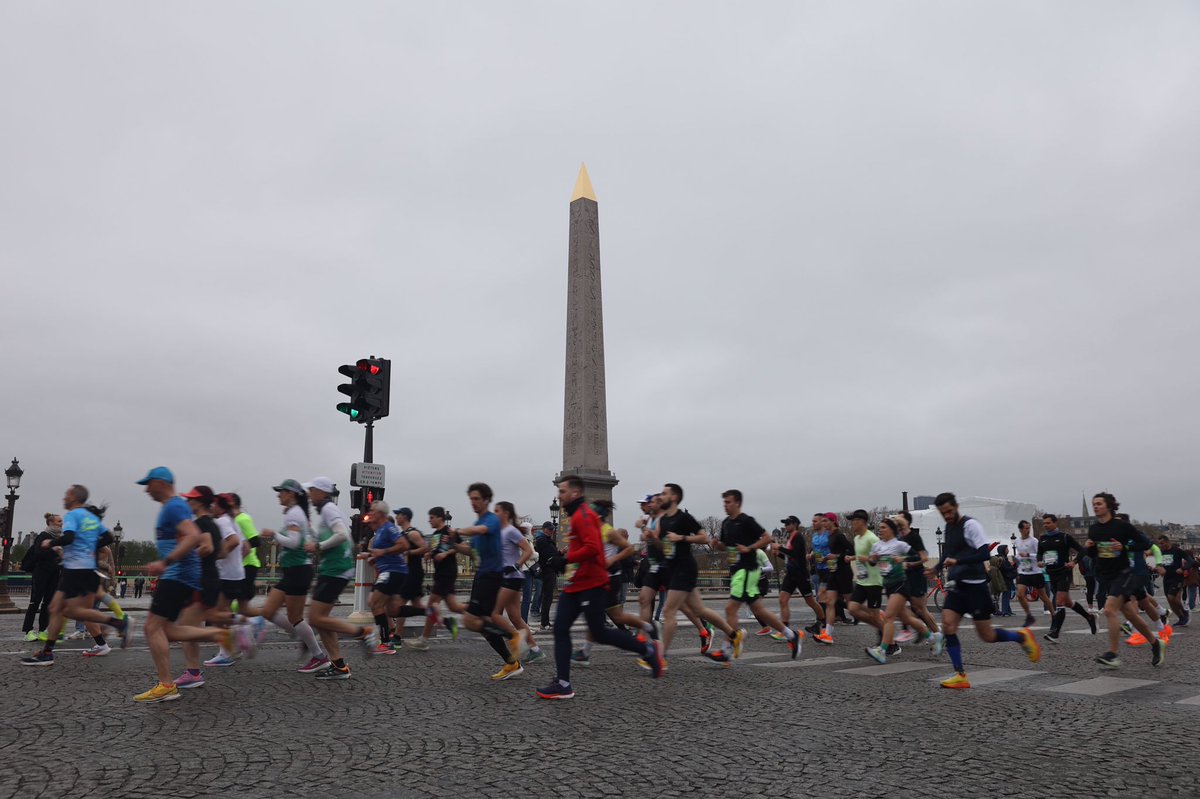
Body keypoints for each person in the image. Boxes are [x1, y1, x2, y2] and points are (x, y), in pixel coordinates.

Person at [536, 478, 663, 699]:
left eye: (563, 491)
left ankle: (647, 650)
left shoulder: (583, 516)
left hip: (592, 583)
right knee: (561, 629)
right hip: (577, 582)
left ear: (575, 493)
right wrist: (566, 557)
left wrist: (563, 560)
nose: (559, 495)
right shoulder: (579, 515)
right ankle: (563, 683)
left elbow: (593, 549)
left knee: (600, 633)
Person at [130, 468, 243, 702]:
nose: (146, 490)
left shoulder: (174, 506)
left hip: (177, 574)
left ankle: (166, 685)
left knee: (152, 628)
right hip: (181, 574)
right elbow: (201, 541)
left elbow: (193, 536)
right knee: (167, 630)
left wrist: (166, 561)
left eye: (149, 484)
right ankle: (221, 634)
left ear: (161, 483)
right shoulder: (174, 507)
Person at [929, 492, 1040, 690]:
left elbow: (983, 553)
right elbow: (947, 553)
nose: (946, 516)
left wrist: (958, 561)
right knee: (947, 625)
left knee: (986, 636)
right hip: (957, 585)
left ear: (955, 507)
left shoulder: (971, 525)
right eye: (942, 513)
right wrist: (935, 569)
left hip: (975, 585)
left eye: (948, 511)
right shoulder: (949, 527)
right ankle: (960, 675)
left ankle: (1022, 637)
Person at [20, 487, 132, 667]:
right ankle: (50, 652)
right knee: (62, 609)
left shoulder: (73, 515)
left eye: (67, 494)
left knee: (64, 609)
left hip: (75, 570)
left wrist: (51, 543)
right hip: (87, 569)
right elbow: (109, 537)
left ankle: (119, 623)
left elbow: (69, 537)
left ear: (74, 498)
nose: (64, 497)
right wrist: (89, 547)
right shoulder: (91, 518)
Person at [707, 490, 800, 665]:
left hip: (747, 570)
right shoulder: (726, 523)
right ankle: (791, 635)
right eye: (724, 502)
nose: (725, 505)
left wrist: (750, 548)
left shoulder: (746, 521)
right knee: (758, 610)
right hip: (736, 570)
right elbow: (725, 547)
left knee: (730, 609)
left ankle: (728, 648)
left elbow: (767, 538)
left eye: (728, 502)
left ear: (737, 503)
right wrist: (716, 544)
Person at [303, 477, 378, 679]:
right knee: (321, 620)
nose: (309, 495)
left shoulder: (329, 509)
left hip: (336, 569)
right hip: (333, 568)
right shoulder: (327, 511)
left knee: (316, 618)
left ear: (321, 492)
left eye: (311, 490)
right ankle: (339, 666)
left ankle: (363, 633)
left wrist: (318, 546)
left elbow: (342, 535)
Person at [657, 483, 740, 663]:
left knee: (669, 610)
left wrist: (682, 537)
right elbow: (664, 546)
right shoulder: (663, 520)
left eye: (664, 493)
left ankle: (660, 658)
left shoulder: (684, 518)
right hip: (674, 568)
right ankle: (733, 634)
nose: (660, 496)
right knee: (699, 609)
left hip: (685, 567)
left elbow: (704, 538)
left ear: (673, 498)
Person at [252, 479, 327, 673]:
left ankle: (319, 656)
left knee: (295, 618)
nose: (279, 495)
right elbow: (308, 537)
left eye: (281, 492)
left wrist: (274, 534)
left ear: (291, 494)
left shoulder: (294, 513)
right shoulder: (296, 513)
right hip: (294, 570)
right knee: (268, 611)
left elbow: (294, 543)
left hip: (298, 571)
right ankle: (307, 637)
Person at [571, 501, 658, 667]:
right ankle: (648, 627)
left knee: (594, 614)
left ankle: (585, 652)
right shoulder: (592, 530)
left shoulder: (608, 531)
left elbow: (629, 549)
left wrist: (612, 559)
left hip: (609, 578)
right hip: (598, 578)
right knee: (616, 616)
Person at [455, 482, 525, 680]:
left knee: (470, 620)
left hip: (491, 576)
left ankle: (514, 637)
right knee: (484, 624)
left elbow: (480, 531)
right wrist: (453, 545)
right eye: (471, 499)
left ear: (486, 500)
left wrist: (459, 531)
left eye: (476, 498)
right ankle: (512, 662)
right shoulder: (478, 524)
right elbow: (472, 551)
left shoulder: (491, 520)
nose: (473, 502)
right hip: (482, 575)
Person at [1088, 492, 1164, 669]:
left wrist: (1125, 546)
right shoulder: (1093, 529)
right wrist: (1090, 548)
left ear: (1108, 506)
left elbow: (1145, 544)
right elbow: (1094, 554)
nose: (1096, 506)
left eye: (1099, 503)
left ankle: (1112, 654)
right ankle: (1155, 644)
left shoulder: (1122, 526)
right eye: (1094, 504)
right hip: (1107, 575)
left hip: (1124, 573)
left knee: (1109, 610)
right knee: (1130, 614)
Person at [865, 518, 930, 663]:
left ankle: (882, 650)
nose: (880, 530)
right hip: (888, 585)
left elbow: (918, 555)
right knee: (907, 619)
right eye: (879, 528)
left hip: (901, 584)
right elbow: (871, 562)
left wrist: (902, 558)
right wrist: (873, 559)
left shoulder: (899, 544)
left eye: (883, 527)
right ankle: (933, 637)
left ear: (892, 530)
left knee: (888, 617)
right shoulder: (877, 545)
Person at [494, 501, 544, 662]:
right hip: (511, 577)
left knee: (494, 613)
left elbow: (528, 550)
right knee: (515, 617)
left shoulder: (510, 531)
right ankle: (535, 650)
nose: (494, 514)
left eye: (497, 511)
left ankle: (517, 640)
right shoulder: (501, 531)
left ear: (506, 514)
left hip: (511, 577)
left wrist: (516, 565)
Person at [1038, 513, 1096, 643]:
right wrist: (1039, 561)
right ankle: (1089, 617)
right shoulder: (1042, 538)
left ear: (1054, 523)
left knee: (1059, 601)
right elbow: (1039, 553)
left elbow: (1082, 550)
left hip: (1064, 573)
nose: (1045, 525)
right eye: (1044, 523)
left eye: (1048, 523)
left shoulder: (1064, 537)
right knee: (1068, 602)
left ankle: (1055, 633)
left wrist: (1074, 562)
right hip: (1051, 573)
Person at [417, 507, 466, 646]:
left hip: (447, 572)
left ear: (440, 518)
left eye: (432, 517)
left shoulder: (449, 532)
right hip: (440, 573)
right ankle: (479, 611)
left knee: (431, 605)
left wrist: (446, 553)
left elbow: (459, 546)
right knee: (454, 607)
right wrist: (429, 555)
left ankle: (424, 639)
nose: (429, 520)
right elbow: (435, 551)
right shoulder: (435, 535)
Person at [771, 516, 824, 636]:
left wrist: (779, 547)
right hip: (791, 573)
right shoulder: (790, 538)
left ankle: (822, 621)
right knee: (782, 600)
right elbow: (789, 557)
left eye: (788, 524)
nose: (785, 526)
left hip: (800, 574)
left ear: (795, 525)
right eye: (784, 524)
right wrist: (779, 553)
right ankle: (785, 630)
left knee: (810, 601)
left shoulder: (798, 537)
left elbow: (795, 554)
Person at [21, 513, 62, 642]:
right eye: (59, 521)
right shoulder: (43, 536)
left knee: (48, 602)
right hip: (41, 572)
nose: (61, 523)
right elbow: (38, 553)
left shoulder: (59, 538)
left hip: (54, 572)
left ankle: (43, 630)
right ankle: (28, 631)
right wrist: (54, 550)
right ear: (51, 523)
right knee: (35, 601)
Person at [815, 514, 854, 645]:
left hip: (844, 572)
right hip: (833, 571)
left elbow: (852, 549)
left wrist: (837, 555)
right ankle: (828, 634)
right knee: (830, 602)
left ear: (833, 521)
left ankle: (876, 614)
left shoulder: (839, 535)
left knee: (852, 605)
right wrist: (827, 558)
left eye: (825, 521)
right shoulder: (830, 535)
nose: (823, 523)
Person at [845, 510, 883, 638]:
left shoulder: (872, 538)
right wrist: (853, 558)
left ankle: (889, 641)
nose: (851, 524)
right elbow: (862, 554)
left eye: (853, 521)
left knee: (874, 616)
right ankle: (881, 624)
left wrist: (865, 559)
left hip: (874, 582)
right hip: (862, 580)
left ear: (861, 522)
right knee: (852, 609)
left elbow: (880, 558)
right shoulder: (857, 538)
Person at [229, 494, 262, 608]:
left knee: (239, 605)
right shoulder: (231, 520)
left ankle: (261, 617)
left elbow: (255, 540)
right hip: (238, 567)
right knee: (233, 604)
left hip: (248, 566)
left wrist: (240, 554)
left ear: (232, 503)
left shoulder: (243, 519)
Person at [1156, 535, 1192, 627]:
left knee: (1172, 598)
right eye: (1159, 544)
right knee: (1170, 600)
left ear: (1167, 542)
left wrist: (1183, 568)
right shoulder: (1161, 552)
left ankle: (1185, 612)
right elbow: (1159, 564)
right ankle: (1181, 618)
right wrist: (1157, 569)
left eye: (1162, 543)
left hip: (1177, 578)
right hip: (1166, 578)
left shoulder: (1177, 550)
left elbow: (1190, 561)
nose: (1160, 545)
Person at [532, 521, 560, 631]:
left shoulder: (543, 540)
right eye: (549, 529)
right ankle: (544, 622)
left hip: (547, 570)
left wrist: (559, 554)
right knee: (547, 597)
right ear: (544, 529)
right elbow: (550, 556)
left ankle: (545, 621)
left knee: (546, 597)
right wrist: (559, 555)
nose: (551, 531)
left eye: (552, 529)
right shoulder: (543, 540)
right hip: (547, 571)